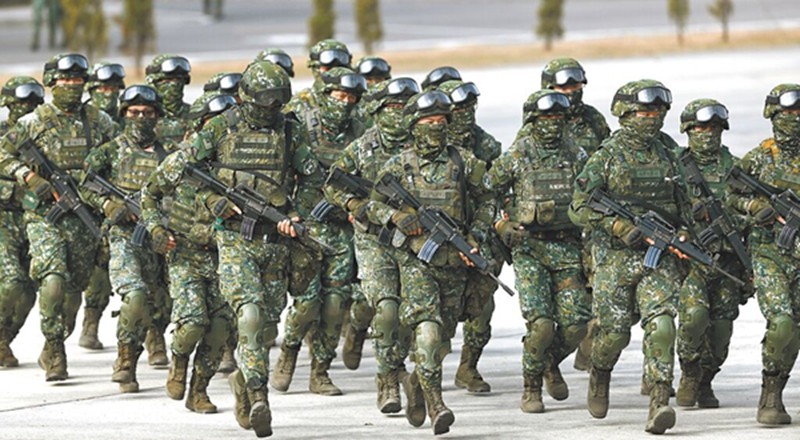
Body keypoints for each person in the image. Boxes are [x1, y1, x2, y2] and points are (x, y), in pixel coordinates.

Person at [187, 60, 314, 438]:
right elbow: (190, 172)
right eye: (265, 101)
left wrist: (296, 212)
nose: (272, 108)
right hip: (234, 239)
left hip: (275, 241)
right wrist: (215, 202)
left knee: (267, 325)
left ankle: (244, 383)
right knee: (251, 314)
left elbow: (311, 178)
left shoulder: (290, 131)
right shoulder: (219, 128)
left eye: (278, 102)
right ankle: (260, 397)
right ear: (246, 98)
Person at [369, 90, 495, 435]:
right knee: (427, 331)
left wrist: (476, 236)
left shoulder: (464, 162)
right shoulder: (399, 165)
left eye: (441, 121)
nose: (436, 127)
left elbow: (488, 200)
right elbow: (372, 205)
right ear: (414, 125)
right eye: (429, 121)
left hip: (454, 264)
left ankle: (416, 383)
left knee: (441, 341)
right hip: (416, 262)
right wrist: (396, 217)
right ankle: (437, 404)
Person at [569, 79, 683, 434]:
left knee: (662, 324)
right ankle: (600, 372)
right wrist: (616, 226)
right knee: (615, 334)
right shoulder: (606, 157)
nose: (653, 118)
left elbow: (689, 201)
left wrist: (686, 233)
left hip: (659, 256)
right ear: (626, 115)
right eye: (644, 113)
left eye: (658, 112)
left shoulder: (670, 153)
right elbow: (578, 207)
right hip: (615, 258)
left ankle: (659, 400)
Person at [0, 53, 116, 381]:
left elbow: (119, 158)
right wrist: (27, 175)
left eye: (78, 80)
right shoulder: (33, 122)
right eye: (65, 80)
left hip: (84, 216)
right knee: (53, 280)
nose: (72, 86)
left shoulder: (99, 121)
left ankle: (56, 340)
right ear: (52, 83)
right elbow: (3, 152)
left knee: (73, 292)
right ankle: (54, 350)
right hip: (44, 218)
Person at [488, 89, 591, 412]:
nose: (553, 123)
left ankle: (547, 360)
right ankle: (531, 386)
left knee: (576, 325)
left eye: (558, 117)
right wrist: (501, 224)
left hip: (567, 247)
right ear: (533, 119)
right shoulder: (518, 155)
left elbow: (592, 194)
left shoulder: (576, 154)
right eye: (546, 117)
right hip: (530, 249)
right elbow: (486, 193)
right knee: (542, 324)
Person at [323, 76, 420, 412]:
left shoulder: (423, 146)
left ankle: (391, 355)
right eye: (394, 106)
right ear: (379, 110)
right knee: (388, 308)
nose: (400, 112)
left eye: (406, 106)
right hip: (373, 239)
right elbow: (332, 185)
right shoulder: (362, 147)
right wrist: (355, 205)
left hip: (413, 240)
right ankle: (388, 380)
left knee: (409, 312)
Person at [271, 67, 366, 396]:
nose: (345, 103)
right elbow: (281, 173)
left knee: (335, 305)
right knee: (307, 302)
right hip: (306, 230)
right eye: (340, 96)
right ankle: (289, 351)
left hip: (341, 231)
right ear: (326, 96)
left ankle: (321, 371)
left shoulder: (360, 132)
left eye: (351, 98)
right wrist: (286, 211)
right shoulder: (300, 127)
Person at [141, 91, 237, 412]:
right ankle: (179, 360)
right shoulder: (182, 160)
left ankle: (199, 390)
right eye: (214, 122)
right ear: (199, 125)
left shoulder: (238, 162)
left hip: (227, 255)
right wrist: (156, 229)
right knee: (193, 322)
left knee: (220, 327)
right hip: (186, 254)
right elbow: (149, 194)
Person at [82, 84, 171, 393]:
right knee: (135, 296)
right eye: (134, 113)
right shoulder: (109, 151)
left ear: (157, 116)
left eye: (147, 113)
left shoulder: (169, 156)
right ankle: (125, 362)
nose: (141, 118)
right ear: (123, 114)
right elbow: (84, 184)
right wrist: (108, 205)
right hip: (123, 236)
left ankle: (152, 342)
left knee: (162, 304)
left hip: (161, 239)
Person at [729, 84, 800, 425]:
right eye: (789, 112)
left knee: (794, 329)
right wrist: (754, 207)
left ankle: (779, 385)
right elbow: (730, 196)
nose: (795, 118)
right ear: (773, 114)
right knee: (782, 322)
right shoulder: (759, 158)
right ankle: (769, 394)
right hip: (769, 252)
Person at [673, 98, 750, 410]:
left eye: (714, 128)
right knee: (694, 317)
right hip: (689, 262)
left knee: (721, 331)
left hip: (728, 263)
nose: (707, 134)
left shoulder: (737, 169)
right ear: (688, 130)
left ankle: (706, 379)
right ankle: (689, 372)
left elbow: (754, 214)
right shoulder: (675, 167)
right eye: (700, 128)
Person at [540, 57, 610, 372]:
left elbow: (609, 157)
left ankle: (588, 347)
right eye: (564, 86)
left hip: (591, 217)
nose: (571, 91)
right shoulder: (540, 118)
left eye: (576, 84)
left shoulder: (594, 120)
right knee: (566, 300)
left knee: (602, 292)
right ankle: (546, 358)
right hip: (555, 224)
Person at [436, 79, 503, 393]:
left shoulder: (485, 145)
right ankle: (425, 370)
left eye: (469, 106)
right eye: (458, 108)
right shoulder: (428, 142)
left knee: (482, 304)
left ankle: (468, 367)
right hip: (437, 236)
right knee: (437, 310)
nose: (465, 113)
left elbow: (501, 187)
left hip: (477, 233)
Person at [144, 53, 194, 366]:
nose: (172, 86)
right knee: (154, 282)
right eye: (165, 81)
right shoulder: (145, 117)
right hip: (153, 208)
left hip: (187, 211)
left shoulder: (194, 116)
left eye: (177, 80)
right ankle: (154, 337)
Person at [78, 61, 126, 351]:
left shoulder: (126, 119)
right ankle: (87, 322)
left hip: (116, 203)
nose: (108, 94)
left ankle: (92, 325)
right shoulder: (81, 119)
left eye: (113, 89)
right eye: (102, 89)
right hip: (79, 202)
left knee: (106, 262)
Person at [0, 76, 45, 367]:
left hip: (34, 219)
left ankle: (5, 339)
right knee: (13, 281)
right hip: (3, 219)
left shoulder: (43, 138)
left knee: (29, 290)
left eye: (33, 102)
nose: (27, 107)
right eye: (21, 102)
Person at [285, 39, 352, 114]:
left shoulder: (356, 102)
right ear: (315, 68)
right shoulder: (299, 103)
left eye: (340, 69)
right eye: (328, 69)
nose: (334, 74)